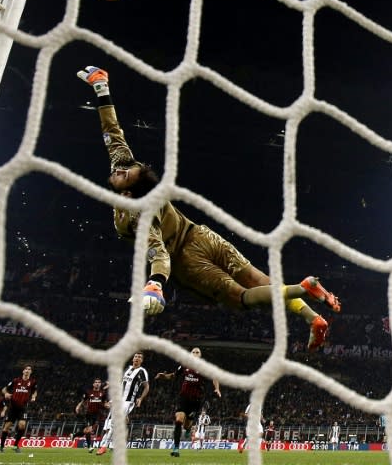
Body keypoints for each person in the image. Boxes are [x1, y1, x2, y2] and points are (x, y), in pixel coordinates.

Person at [77, 66, 342, 352]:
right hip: (204, 235)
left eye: (124, 173)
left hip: (188, 259)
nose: (119, 169)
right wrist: (101, 87)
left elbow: (159, 253)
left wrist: (154, 285)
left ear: (128, 192)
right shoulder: (124, 164)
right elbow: (112, 130)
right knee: (260, 279)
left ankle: (304, 287)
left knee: (243, 298)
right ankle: (312, 316)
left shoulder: (137, 213)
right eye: (124, 168)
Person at [154, 347, 221, 457]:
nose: (195, 353)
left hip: (196, 401)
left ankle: (189, 428)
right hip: (183, 398)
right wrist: (164, 376)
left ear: (200, 355)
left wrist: (217, 388)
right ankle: (176, 448)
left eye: (197, 352)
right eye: (193, 352)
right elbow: (173, 375)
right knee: (178, 420)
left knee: (186, 426)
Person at [96, 352, 150, 455]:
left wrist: (141, 398)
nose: (137, 358)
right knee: (109, 424)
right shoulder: (127, 369)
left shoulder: (142, 371)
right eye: (135, 356)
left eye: (139, 357)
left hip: (128, 401)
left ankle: (104, 446)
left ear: (142, 360)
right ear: (132, 358)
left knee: (113, 422)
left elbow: (147, 387)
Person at [0, 365, 38, 453]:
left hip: (23, 407)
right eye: (26, 369)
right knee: (6, 427)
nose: (27, 371)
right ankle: (1, 446)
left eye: (29, 369)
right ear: (23, 371)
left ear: (31, 372)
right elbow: (4, 389)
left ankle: (16, 445)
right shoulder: (16, 380)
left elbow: (35, 391)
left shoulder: (32, 382)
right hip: (13, 407)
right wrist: (6, 394)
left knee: (22, 425)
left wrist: (33, 396)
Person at [75, 377, 109, 452]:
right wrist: (78, 406)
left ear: (100, 384)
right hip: (88, 414)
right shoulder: (88, 392)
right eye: (96, 382)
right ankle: (90, 447)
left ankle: (74, 435)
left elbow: (104, 402)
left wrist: (107, 405)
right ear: (93, 384)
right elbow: (83, 400)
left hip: (97, 414)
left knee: (86, 431)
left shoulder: (103, 393)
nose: (97, 383)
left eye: (99, 382)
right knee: (89, 430)